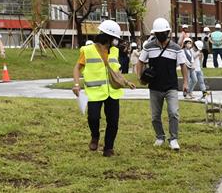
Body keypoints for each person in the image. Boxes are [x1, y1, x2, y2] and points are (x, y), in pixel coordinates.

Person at [72, 19, 129, 157]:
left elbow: (115, 71)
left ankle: (108, 148)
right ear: (107, 36)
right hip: (94, 91)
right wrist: (76, 84)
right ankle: (95, 136)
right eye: (114, 38)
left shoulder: (115, 51)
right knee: (93, 118)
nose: (116, 41)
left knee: (113, 122)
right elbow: (77, 67)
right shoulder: (87, 50)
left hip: (112, 92)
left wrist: (126, 82)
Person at [138, 17, 188, 151]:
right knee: (155, 116)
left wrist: (185, 83)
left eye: (163, 33)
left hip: (171, 86)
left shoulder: (176, 48)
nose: (161, 35)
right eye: (158, 33)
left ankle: (174, 139)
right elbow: (140, 62)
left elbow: (183, 65)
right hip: (154, 87)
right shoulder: (148, 47)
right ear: (155, 33)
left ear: (168, 32)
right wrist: (140, 77)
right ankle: (160, 137)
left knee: (173, 112)